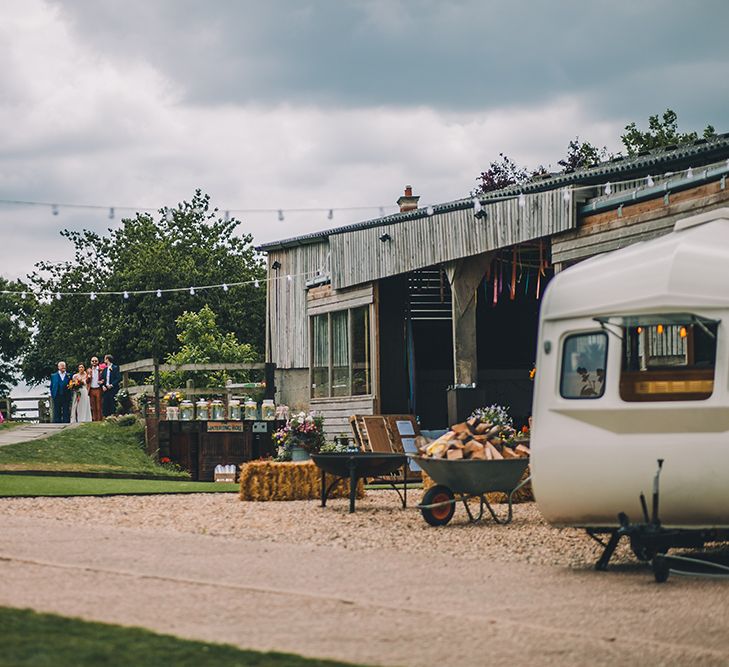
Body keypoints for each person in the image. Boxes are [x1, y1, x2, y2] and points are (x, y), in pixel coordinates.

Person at [88, 356, 104, 421]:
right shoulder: (89, 370)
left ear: (98, 362)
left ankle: (99, 419)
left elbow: (104, 378)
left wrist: (102, 381)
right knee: (93, 406)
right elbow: (87, 381)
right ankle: (94, 419)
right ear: (91, 362)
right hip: (91, 389)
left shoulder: (101, 370)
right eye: (93, 361)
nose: (94, 362)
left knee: (99, 405)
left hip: (98, 389)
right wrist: (88, 378)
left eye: (95, 361)